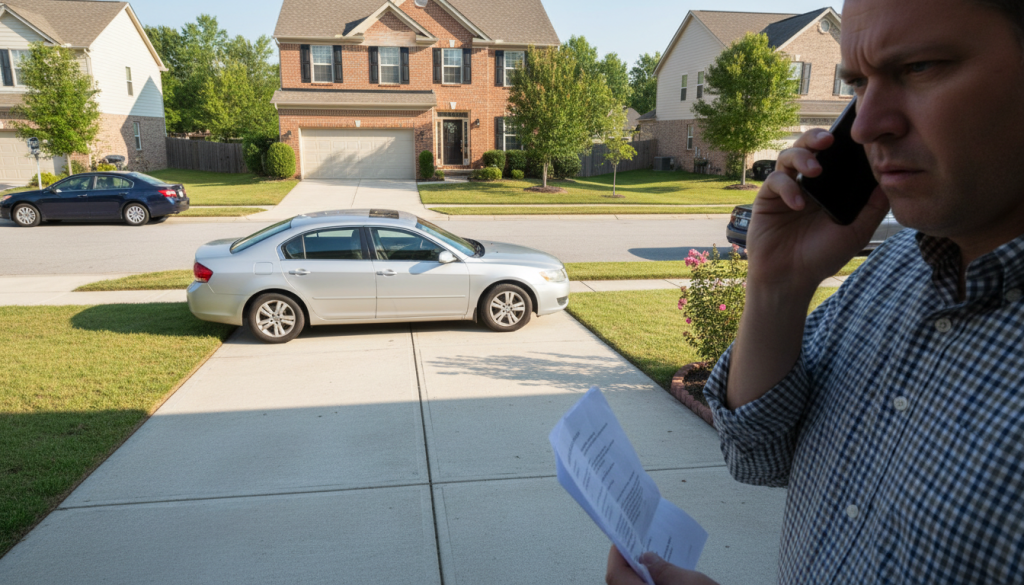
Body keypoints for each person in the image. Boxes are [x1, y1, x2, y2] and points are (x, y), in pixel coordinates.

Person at [606, 0, 1024, 582]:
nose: (866, 123)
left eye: (921, 67)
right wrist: (778, 282)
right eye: (859, 82)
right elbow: (756, 453)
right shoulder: (893, 270)